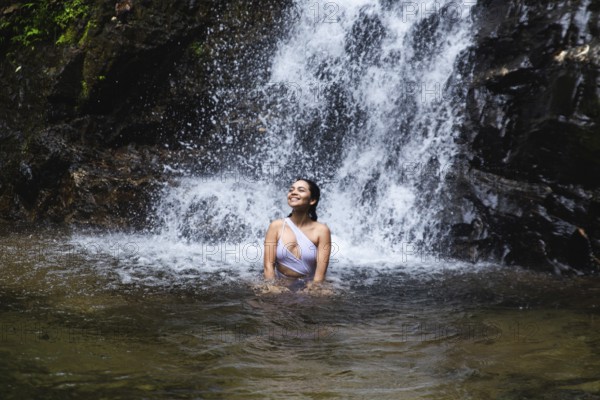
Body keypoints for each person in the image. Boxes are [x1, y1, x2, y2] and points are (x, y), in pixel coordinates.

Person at [263, 178, 331, 284]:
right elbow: (268, 266)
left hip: (307, 285)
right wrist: (272, 287)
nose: (293, 192)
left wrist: (313, 289)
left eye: (301, 190)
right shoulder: (276, 226)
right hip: (280, 283)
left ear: (312, 200)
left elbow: (320, 275)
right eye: (291, 190)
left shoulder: (322, 231)